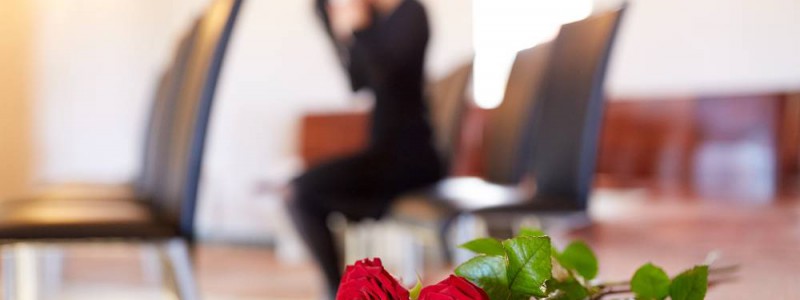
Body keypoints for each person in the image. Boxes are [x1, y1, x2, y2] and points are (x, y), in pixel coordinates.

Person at [287, 0, 443, 297]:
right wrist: (338, 33)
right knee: (299, 192)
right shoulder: (378, 22)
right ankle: (341, 289)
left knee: (302, 193)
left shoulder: (411, 13)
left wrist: (361, 28)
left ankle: (337, 291)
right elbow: (357, 83)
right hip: (384, 155)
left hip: (411, 156)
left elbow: (388, 80)